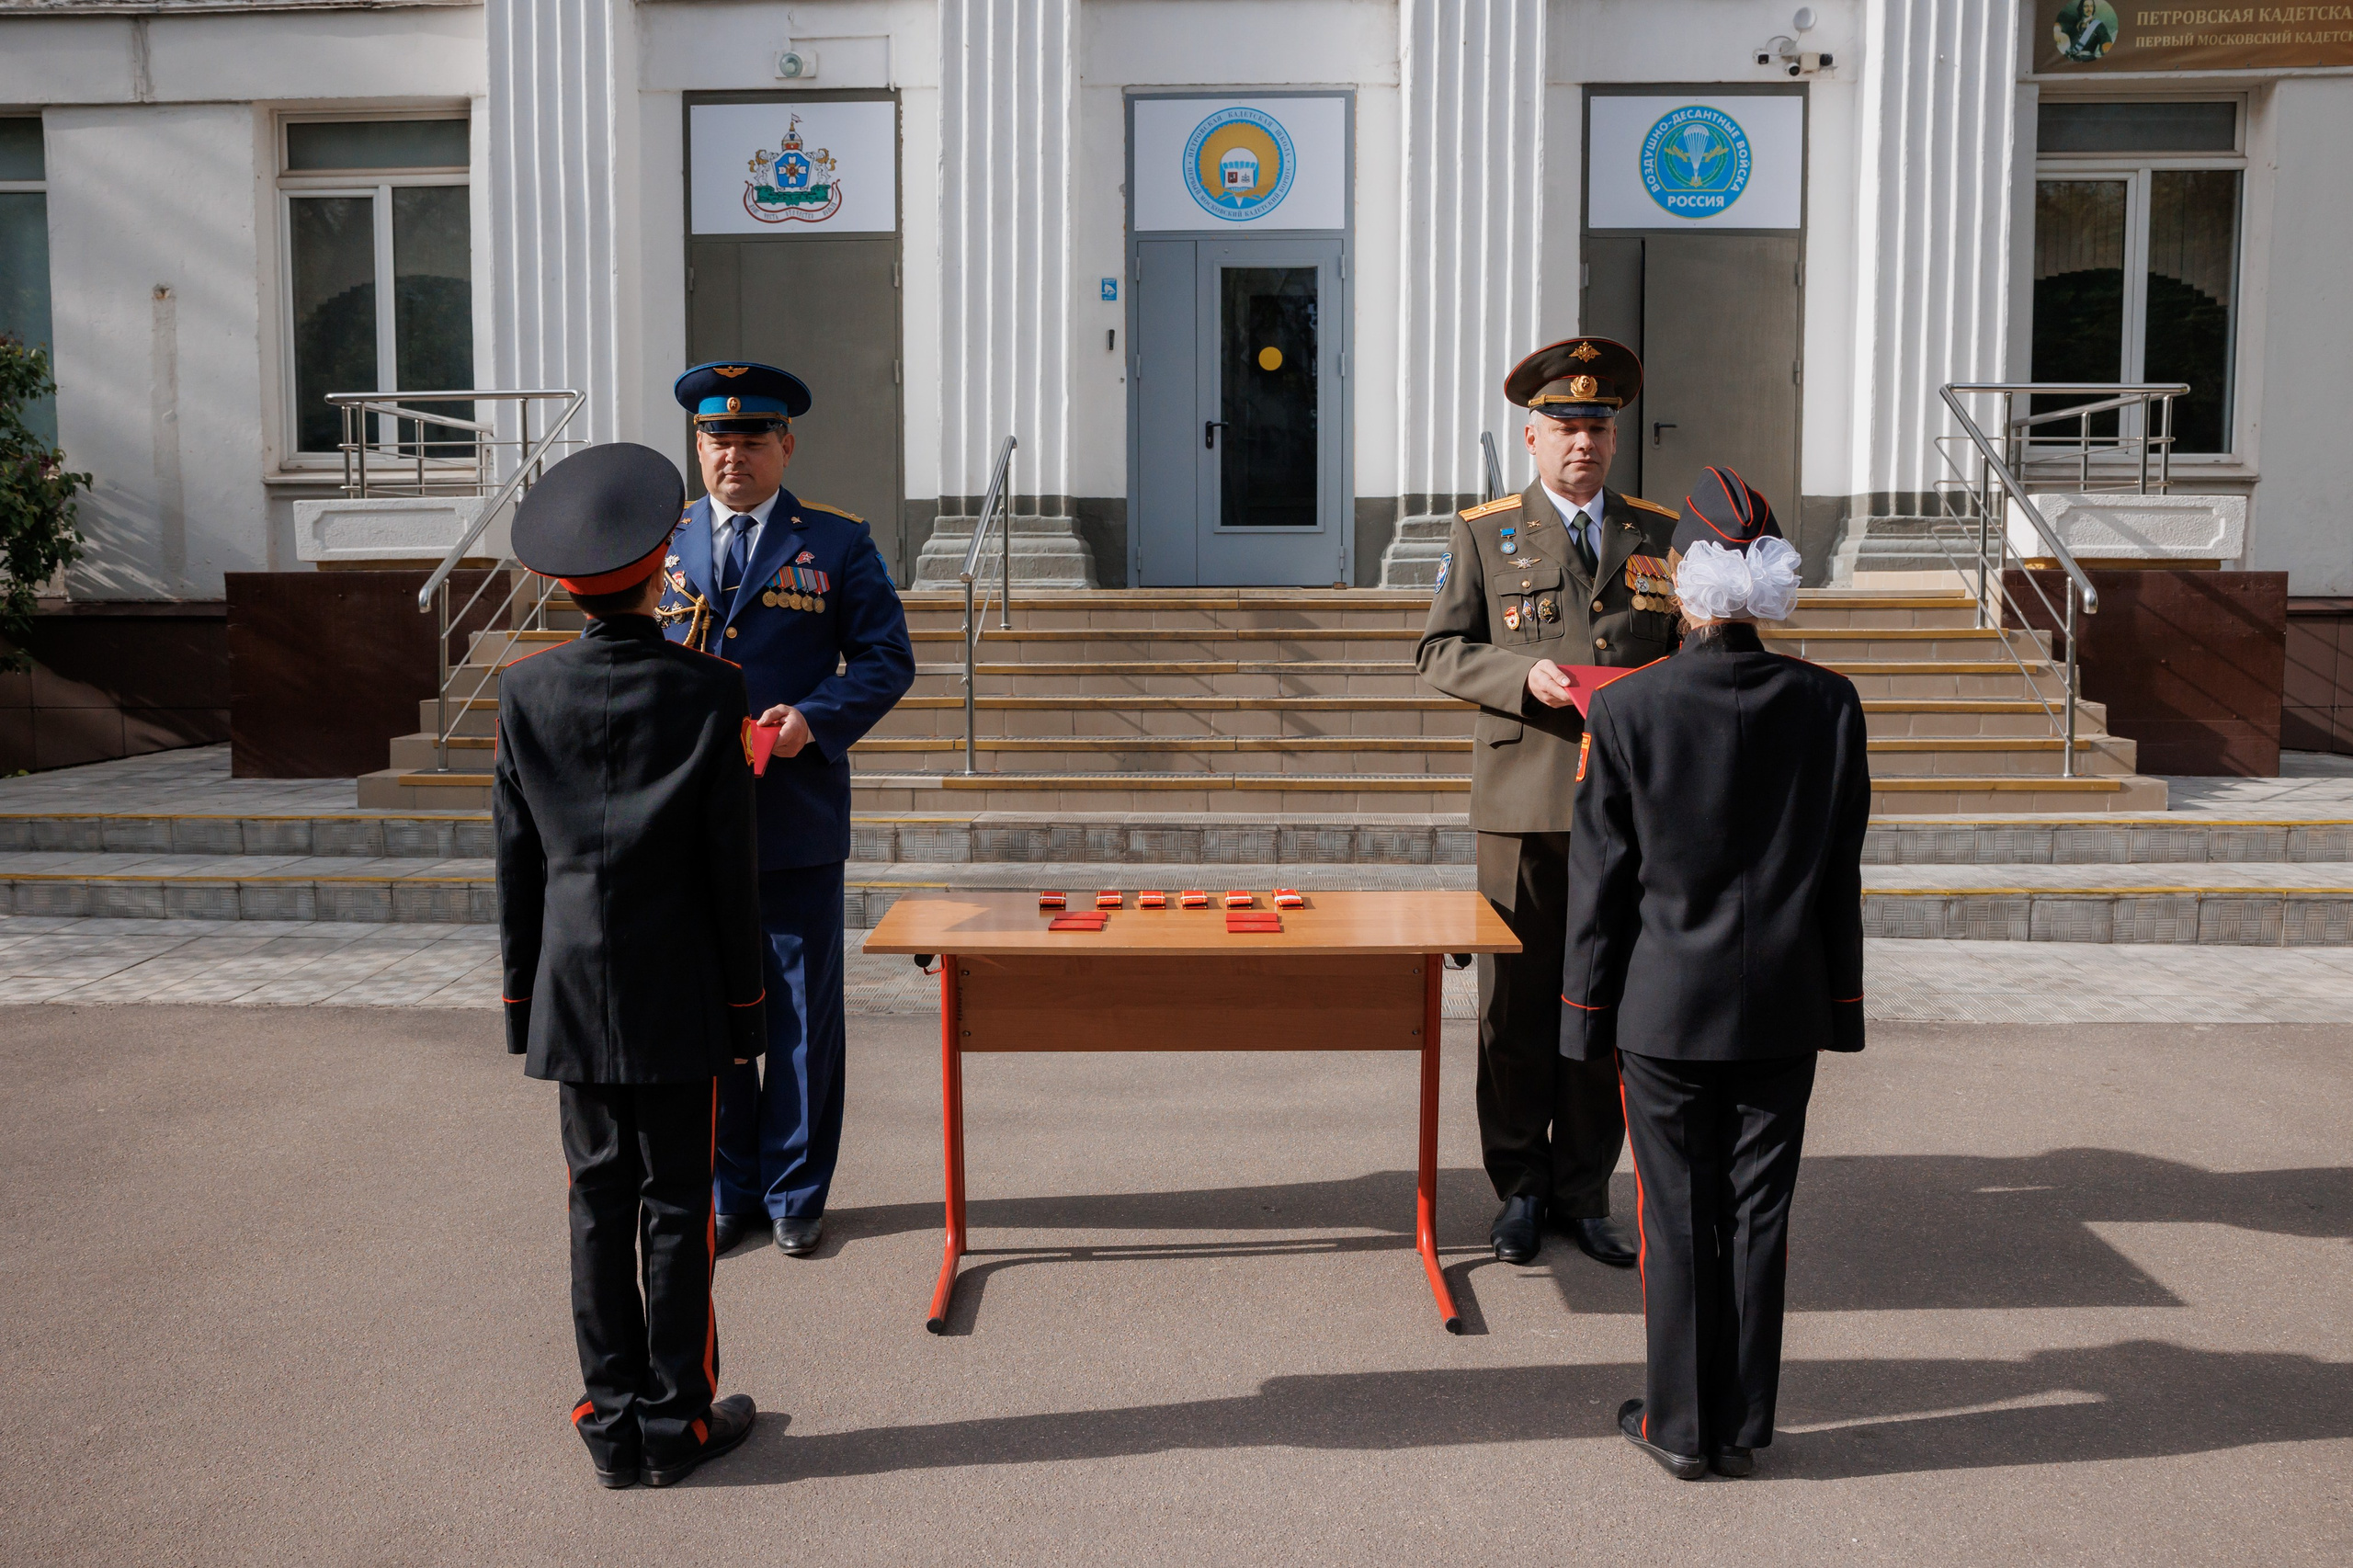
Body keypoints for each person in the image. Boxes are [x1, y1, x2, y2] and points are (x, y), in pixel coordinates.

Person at [1556, 466, 1870, 1481]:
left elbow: (1602, 883)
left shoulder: (1627, 709)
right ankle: (1738, 1424)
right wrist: (1843, 1006)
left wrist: (1580, 1015)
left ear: (1678, 584)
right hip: (1784, 1002)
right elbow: (1837, 873)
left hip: (1663, 1006)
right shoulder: (1830, 703)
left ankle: (1681, 1424)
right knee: (1758, 1214)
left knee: (1678, 1214)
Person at [494, 442, 769, 1488]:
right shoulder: (711, 688)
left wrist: (523, 1000)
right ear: (662, 566)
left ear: (564, 584)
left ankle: (609, 1421)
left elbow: (516, 863)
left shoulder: (524, 692)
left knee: (596, 1203)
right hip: (680, 987)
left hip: (573, 987)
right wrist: (746, 1009)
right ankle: (676, 1419)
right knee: (678, 1205)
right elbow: (730, 869)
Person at [1416, 336, 1681, 1268]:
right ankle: (1520, 1188)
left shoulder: (1654, 533)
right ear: (1531, 436)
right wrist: (1516, 676)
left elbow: (1680, 653)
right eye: (1566, 425)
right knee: (1515, 1007)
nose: (1584, 441)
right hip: (1523, 802)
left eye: (1598, 426)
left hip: (1625, 807)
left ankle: (1584, 1190)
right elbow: (1438, 650)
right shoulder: (1484, 533)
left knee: (1605, 1002)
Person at [660, 361, 915, 1258]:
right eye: (716, 438)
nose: (733, 454)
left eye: (751, 438)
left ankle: (796, 1192)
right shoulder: (661, 539)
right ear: (698, 446)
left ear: (786, 445)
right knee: (713, 1013)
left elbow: (886, 658)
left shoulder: (836, 542)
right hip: (686, 822)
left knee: (802, 1018)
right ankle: (731, 1189)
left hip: (793, 819)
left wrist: (815, 718)